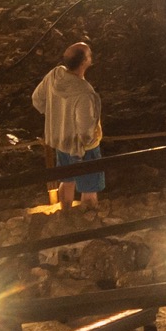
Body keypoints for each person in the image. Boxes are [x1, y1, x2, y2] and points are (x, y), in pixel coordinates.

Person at [32, 42, 105, 208]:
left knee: (66, 180)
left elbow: (37, 100)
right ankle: (88, 222)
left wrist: (55, 117)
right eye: (89, 55)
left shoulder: (54, 75)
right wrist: (82, 149)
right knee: (89, 187)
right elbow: (85, 129)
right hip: (84, 148)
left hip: (61, 142)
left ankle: (65, 216)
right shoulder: (84, 92)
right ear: (84, 62)